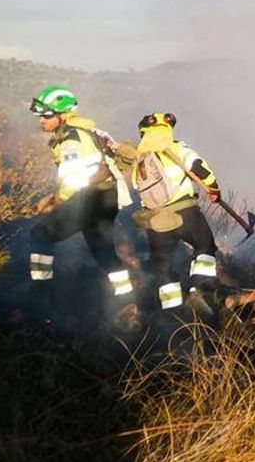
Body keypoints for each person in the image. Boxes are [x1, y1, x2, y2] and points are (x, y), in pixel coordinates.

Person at [28, 85, 134, 327]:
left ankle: (40, 296)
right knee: (103, 250)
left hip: (92, 198)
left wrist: (55, 201)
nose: (41, 121)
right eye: (39, 116)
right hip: (107, 197)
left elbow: (74, 178)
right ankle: (128, 298)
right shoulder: (87, 130)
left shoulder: (71, 139)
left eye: (46, 116)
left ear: (62, 115)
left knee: (40, 235)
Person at [118, 112, 221, 319]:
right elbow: (201, 169)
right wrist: (213, 189)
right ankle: (200, 289)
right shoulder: (177, 148)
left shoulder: (139, 159)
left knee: (163, 264)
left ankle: (172, 313)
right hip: (186, 212)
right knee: (205, 246)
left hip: (155, 220)